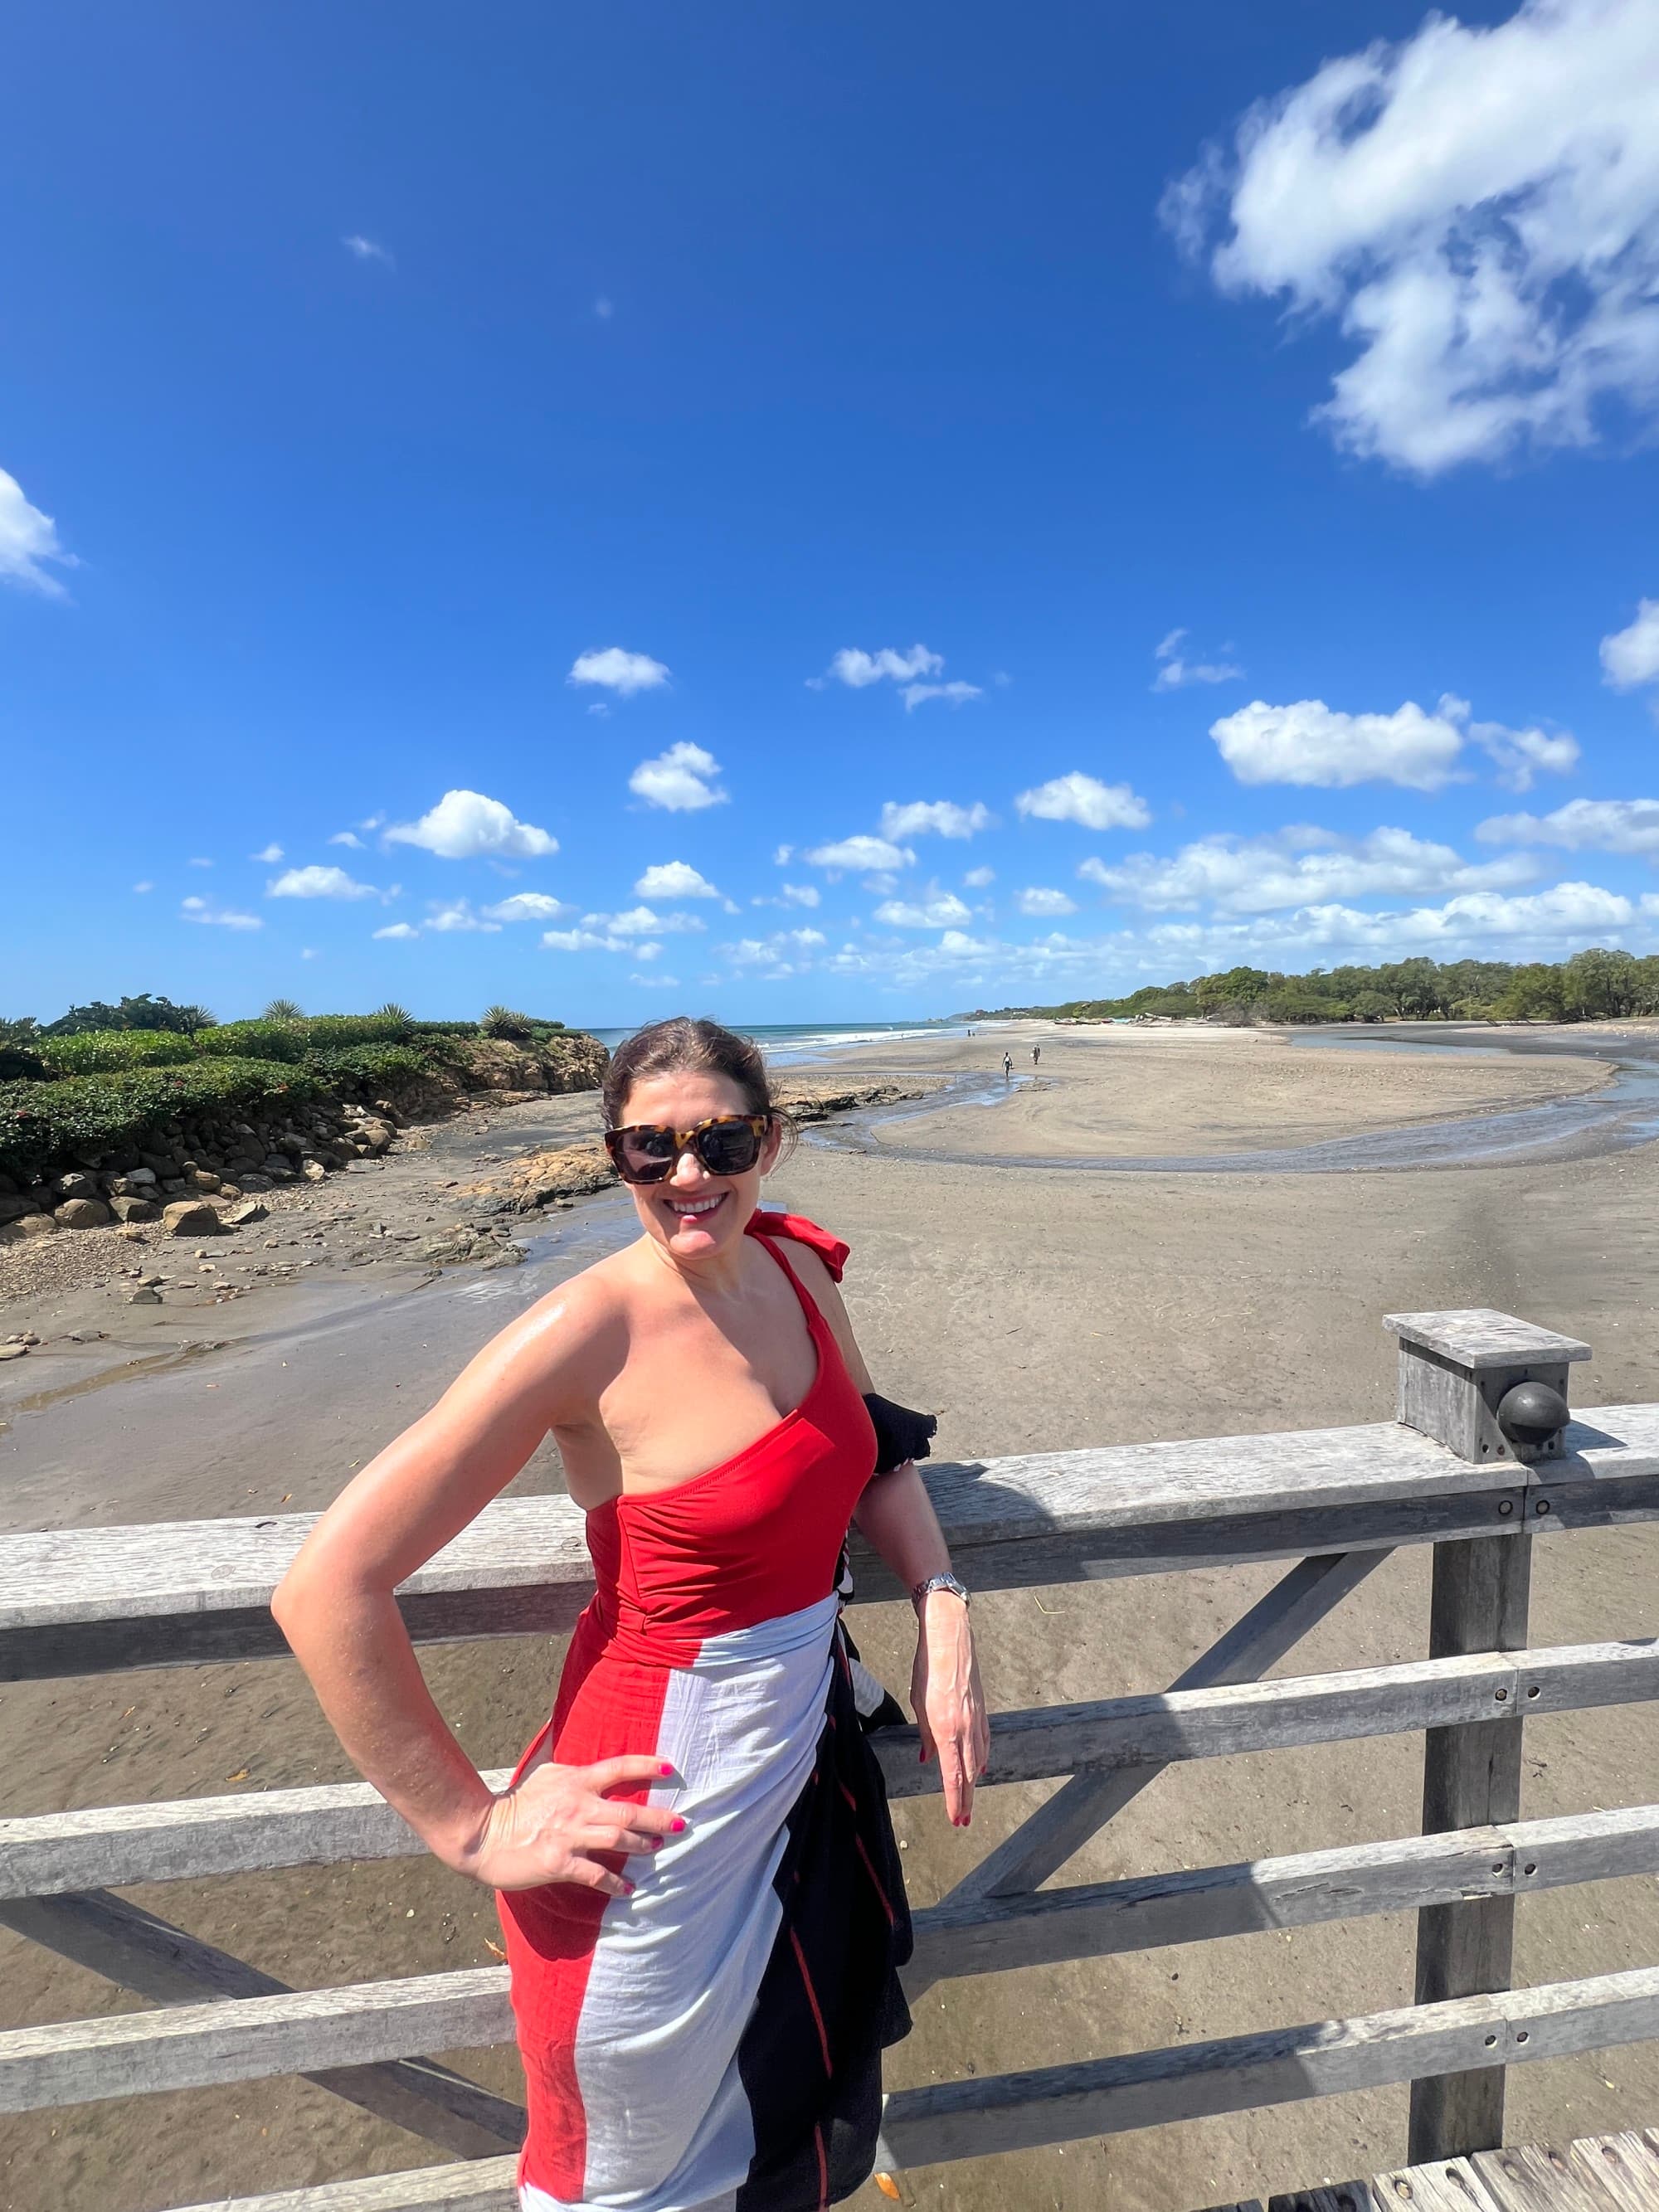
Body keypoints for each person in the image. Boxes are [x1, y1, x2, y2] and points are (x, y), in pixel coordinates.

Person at [272, 1015, 987, 2212]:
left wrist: (943, 1608)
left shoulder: (799, 1269)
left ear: (776, 1140)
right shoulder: (584, 1329)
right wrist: (474, 1828)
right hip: (653, 1836)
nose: (690, 1178)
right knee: (627, 2178)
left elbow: (876, 1455)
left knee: (778, 2123)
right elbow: (326, 1586)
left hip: (798, 1768)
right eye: (649, 1152)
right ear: (613, 1158)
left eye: (721, 1141)